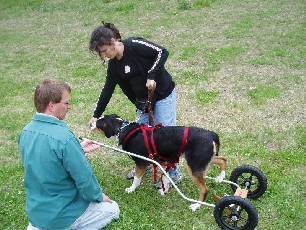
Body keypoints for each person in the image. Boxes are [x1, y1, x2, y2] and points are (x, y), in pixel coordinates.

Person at [88, 22, 182, 187]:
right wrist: (96, 114)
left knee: (166, 134)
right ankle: (142, 165)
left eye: (104, 51)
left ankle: (173, 174)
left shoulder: (134, 45)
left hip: (162, 94)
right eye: (101, 53)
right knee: (139, 137)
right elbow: (107, 90)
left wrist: (152, 75)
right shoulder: (113, 66)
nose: (104, 55)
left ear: (112, 42)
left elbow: (161, 51)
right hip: (143, 103)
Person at [18, 78, 120, 230]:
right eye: (66, 103)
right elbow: (84, 179)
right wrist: (99, 196)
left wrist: (77, 149)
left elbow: (46, 158)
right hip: (63, 214)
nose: (69, 107)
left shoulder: (25, 132)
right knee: (113, 209)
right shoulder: (63, 137)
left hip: (36, 213)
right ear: (51, 106)